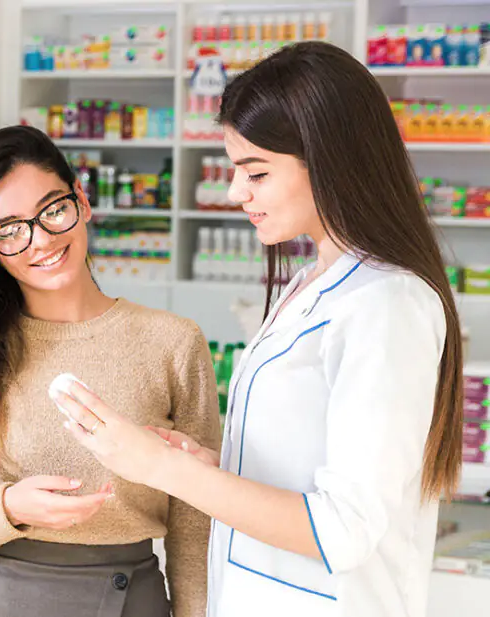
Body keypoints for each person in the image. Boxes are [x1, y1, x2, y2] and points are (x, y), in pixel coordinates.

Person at [56, 41, 463, 617]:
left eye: (257, 172)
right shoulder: (311, 285)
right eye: (234, 170)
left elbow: (341, 530)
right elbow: (307, 470)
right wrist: (214, 465)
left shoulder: (386, 303)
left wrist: (159, 469)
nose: (234, 193)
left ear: (331, 161)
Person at [0, 125, 221, 617]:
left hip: (132, 599)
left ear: (81, 202)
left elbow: (196, 524)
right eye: (10, 230)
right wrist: (9, 508)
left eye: (53, 210)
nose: (41, 239)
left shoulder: (173, 341)